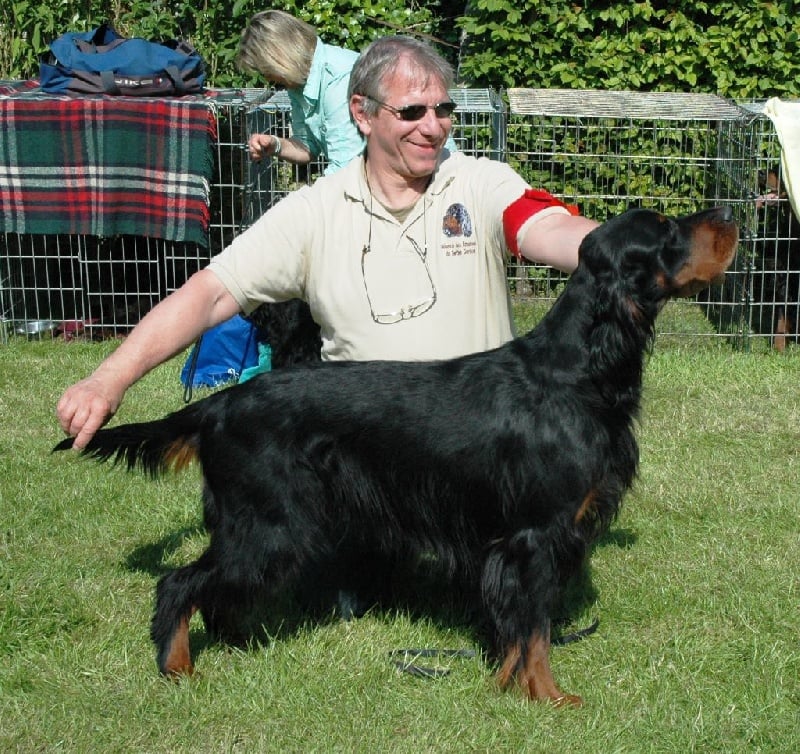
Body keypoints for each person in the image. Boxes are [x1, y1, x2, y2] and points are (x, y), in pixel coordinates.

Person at [57, 35, 599, 449]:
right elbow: (212, 292)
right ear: (362, 114)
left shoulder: (481, 183)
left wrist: (622, 247)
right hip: (362, 454)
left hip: (475, 449)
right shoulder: (314, 212)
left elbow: (546, 227)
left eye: (443, 109)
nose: (434, 128)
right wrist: (109, 379)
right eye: (412, 111)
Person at [237, 10, 364, 174]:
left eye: (265, 70)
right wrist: (275, 145)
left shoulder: (339, 80)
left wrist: (306, 199)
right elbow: (307, 146)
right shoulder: (299, 82)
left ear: (279, 58)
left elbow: (346, 168)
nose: (267, 79)